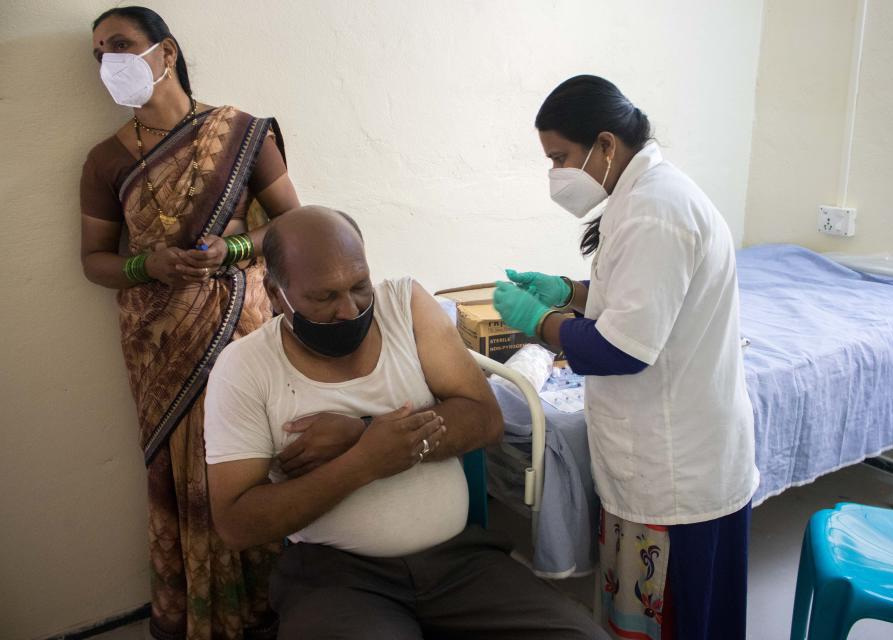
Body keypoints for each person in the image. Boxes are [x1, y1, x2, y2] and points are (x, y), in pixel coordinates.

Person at [203, 206, 607, 640]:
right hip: (337, 577)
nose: (349, 310)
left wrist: (364, 430)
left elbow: (484, 418)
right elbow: (236, 522)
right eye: (323, 297)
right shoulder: (245, 368)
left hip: (459, 562)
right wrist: (363, 463)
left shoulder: (404, 305)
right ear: (276, 293)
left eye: (360, 286)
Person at [492, 75, 759, 640]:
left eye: (560, 157)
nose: (555, 175)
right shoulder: (642, 197)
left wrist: (538, 323)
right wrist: (567, 291)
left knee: (676, 620)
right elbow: (636, 299)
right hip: (662, 455)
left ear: (606, 145)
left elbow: (619, 349)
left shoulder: (656, 210)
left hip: (677, 470)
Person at [80, 7, 300, 639]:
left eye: (120, 45)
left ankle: (281, 605)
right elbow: (95, 262)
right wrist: (148, 264)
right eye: (99, 54)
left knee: (259, 459)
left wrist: (231, 251)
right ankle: (206, 615)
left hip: (240, 329)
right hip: (159, 345)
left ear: (166, 52)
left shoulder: (243, 134)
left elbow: (290, 223)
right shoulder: (103, 161)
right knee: (185, 476)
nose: (108, 63)